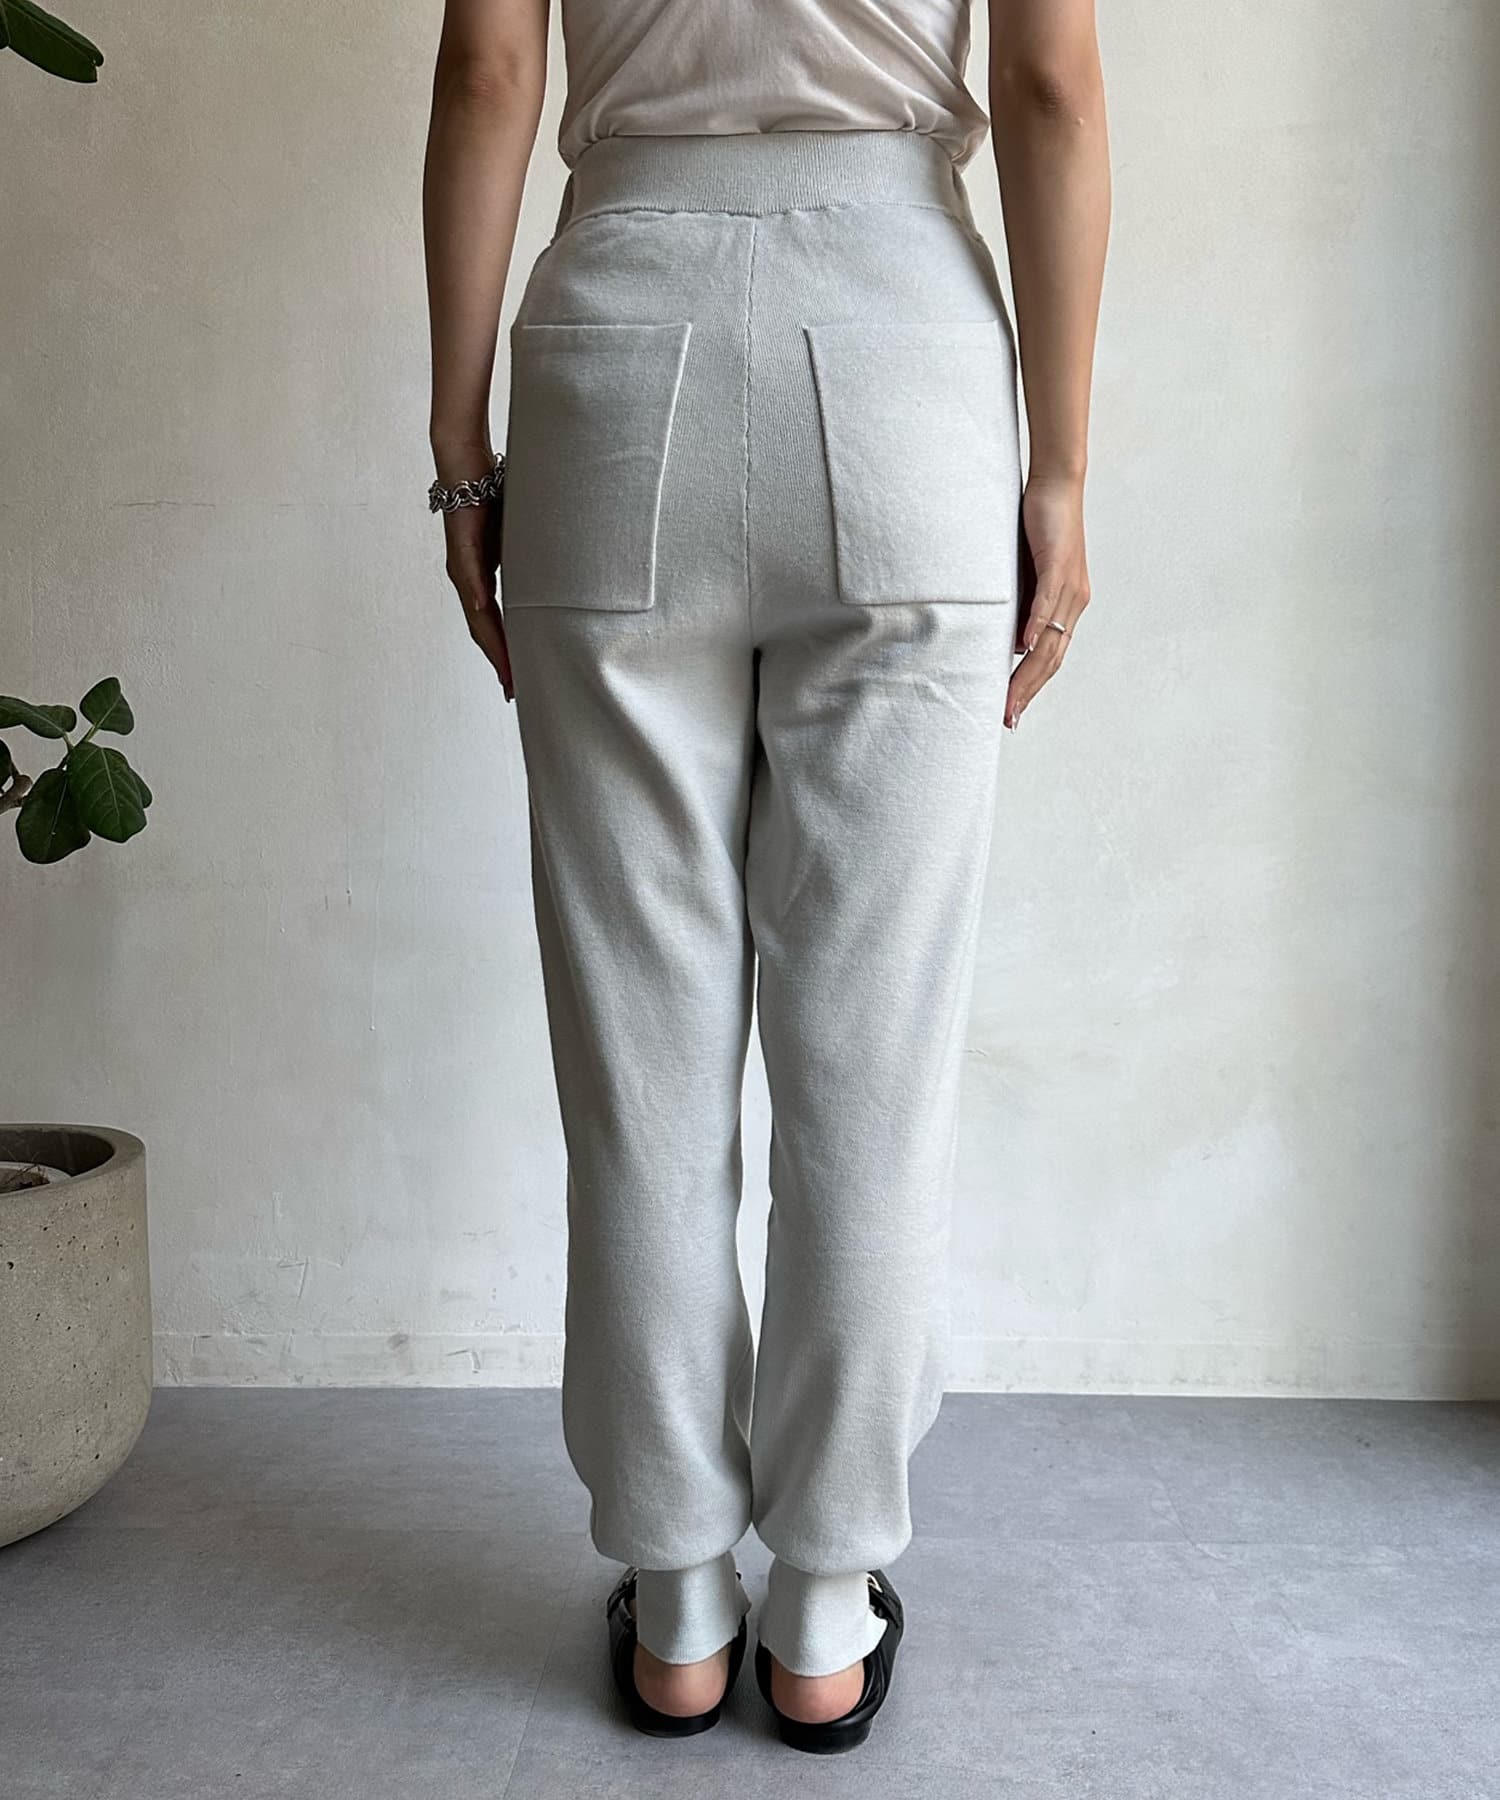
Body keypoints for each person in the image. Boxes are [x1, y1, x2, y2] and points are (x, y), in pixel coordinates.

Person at [423, 0, 1109, 1755]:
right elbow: (1045, 83)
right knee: (873, 1064)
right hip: (905, 358)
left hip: (616, 340)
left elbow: (492, 68)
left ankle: (677, 1605)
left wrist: (462, 451)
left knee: (639, 1060)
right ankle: (821, 1609)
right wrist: (1059, 466)